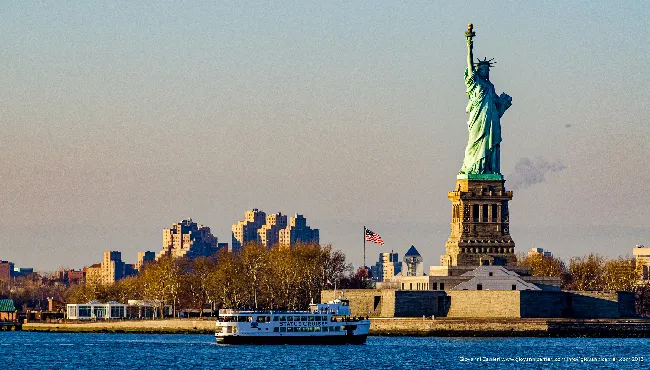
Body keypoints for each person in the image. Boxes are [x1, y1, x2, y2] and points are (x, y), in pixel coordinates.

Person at [459, 25, 512, 175]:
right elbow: (469, 65)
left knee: (490, 142)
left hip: (491, 119)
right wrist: (469, 44)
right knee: (475, 142)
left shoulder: (490, 86)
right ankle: (474, 167)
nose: (485, 71)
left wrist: (504, 104)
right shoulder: (474, 82)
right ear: (478, 71)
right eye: (482, 69)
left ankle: (488, 168)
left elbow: (497, 107)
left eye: (487, 70)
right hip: (478, 117)